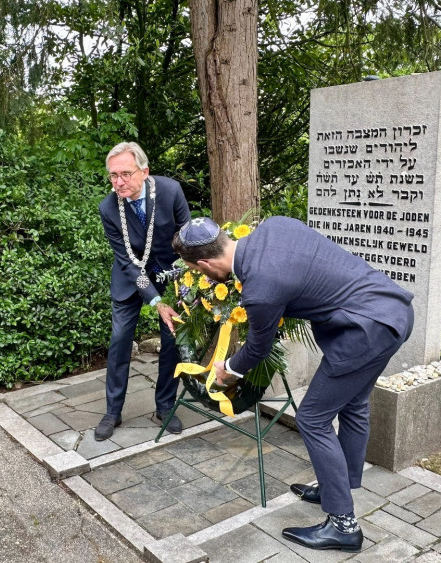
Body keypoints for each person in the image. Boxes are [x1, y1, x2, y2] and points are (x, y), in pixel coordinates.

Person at [173, 216, 414, 553]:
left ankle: (344, 525)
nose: (202, 276)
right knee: (354, 403)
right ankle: (338, 487)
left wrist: (227, 370)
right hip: (394, 314)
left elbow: (257, 348)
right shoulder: (275, 226)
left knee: (312, 418)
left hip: (366, 331)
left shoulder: (260, 287)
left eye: (198, 272)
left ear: (205, 263)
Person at [96, 142, 190, 441]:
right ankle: (113, 411)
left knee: (172, 338)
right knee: (120, 339)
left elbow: (187, 237)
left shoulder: (170, 191)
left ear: (144, 171)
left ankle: (165, 405)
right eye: (113, 175)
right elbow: (126, 261)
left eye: (125, 173)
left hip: (171, 272)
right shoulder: (108, 207)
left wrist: (186, 282)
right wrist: (156, 301)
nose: (118, 182)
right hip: (130, 279)